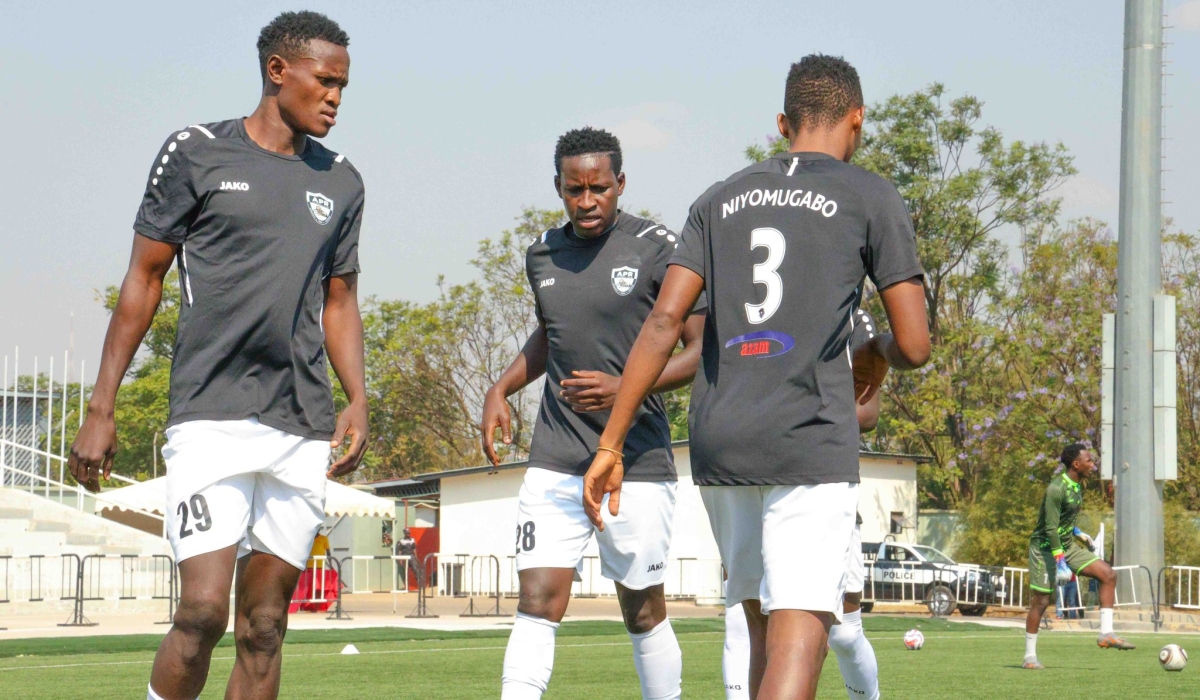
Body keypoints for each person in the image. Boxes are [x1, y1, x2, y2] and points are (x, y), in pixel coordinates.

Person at [582, 55, 931, 700]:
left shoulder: (719, 197)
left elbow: (663, 323)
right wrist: (876, 351)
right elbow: (914, 344)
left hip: (722, 438)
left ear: (781, 123)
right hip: (807, 436)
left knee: (760, 636)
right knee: (800, 642)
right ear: (857, 121)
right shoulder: (869, 194)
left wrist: (611, 445)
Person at [67, 12, 368, 700]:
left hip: (301, 425)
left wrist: (357, 396)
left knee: (264, 627)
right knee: (201, 612)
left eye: (343, 86)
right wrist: (100, 405)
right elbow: (144, 280)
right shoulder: (196, 152)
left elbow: (341, 300)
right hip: (210, 413)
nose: (335, 98)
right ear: (276, 71)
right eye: (324, 81)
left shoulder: (344, 181)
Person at [482, 127, 705, 700]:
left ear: (620, 184)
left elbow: (701, 351)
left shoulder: (658, 248)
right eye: (574, 189)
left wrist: (625, 386)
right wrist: (501, 387)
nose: (587, 202)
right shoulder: (542, 253)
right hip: (556, 457)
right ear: (558, 187)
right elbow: (551, 333)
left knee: (642, 608)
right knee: (536, 602)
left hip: (637, 459)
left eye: (599, 189)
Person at [723, 307, 884, 700]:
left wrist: (795, 404)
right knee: (745, 620)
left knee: (843, 632)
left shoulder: (851, 316)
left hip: (817, 486)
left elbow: (868, 413)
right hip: (747, 480)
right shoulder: (745, 302)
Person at [1023, 444, 1134, 669]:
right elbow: (1050, 528)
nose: (1093, 465)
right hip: (1045, 549)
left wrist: (1077, 533)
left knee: (1108, 575)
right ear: (1076, 464)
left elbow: (1065, 517)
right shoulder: (1056, 488)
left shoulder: (1077, 485)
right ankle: (1029, 657)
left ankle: (1105, 633)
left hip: (1067, 545)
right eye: (1089, 461)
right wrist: (1060, 560)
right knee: (1042, 602)